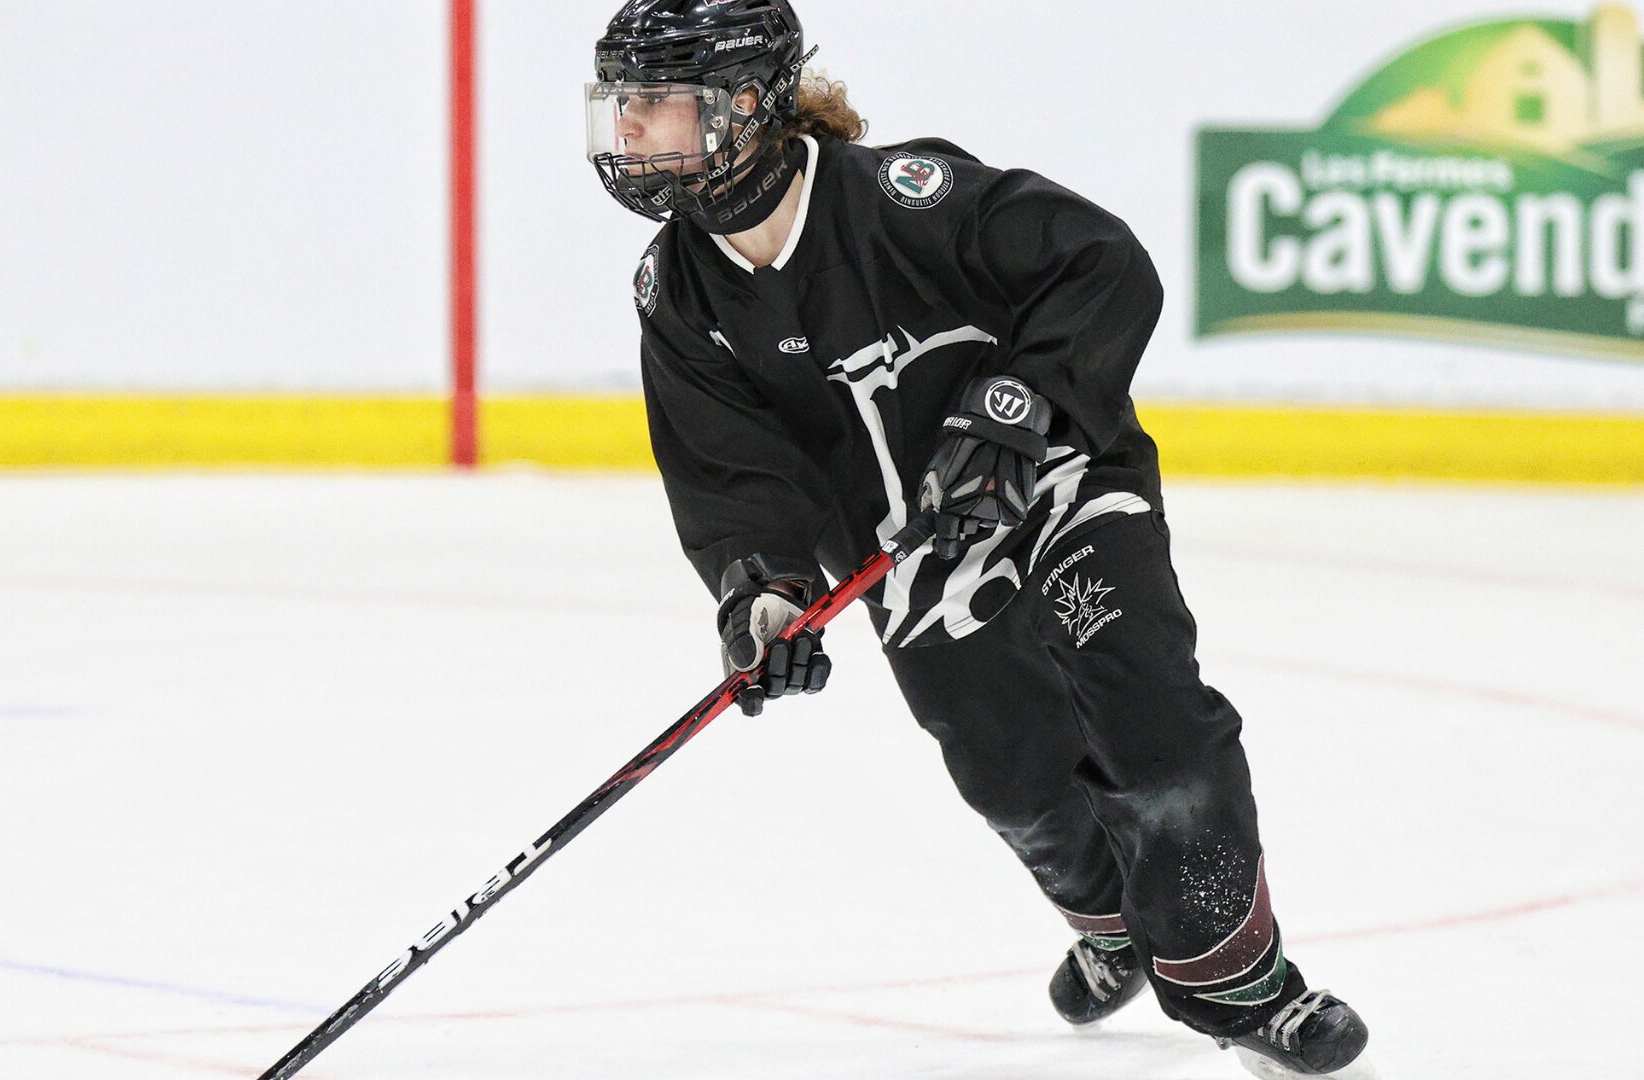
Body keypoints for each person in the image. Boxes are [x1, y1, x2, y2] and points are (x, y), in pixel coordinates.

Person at [585, 2, 1372, 1077]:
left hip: (1058, 480)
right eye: (620, 108)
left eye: (654, 108)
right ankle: (1106, 920)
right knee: (1003, 765)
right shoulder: (676, 295)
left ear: (747, 105)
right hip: (907, 547)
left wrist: (1016, 405)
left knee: (1143, 709)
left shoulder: (908, 203)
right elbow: (732, 476)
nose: (627, 135)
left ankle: (1235, 975)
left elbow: (1102, 265)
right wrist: (762, 594)